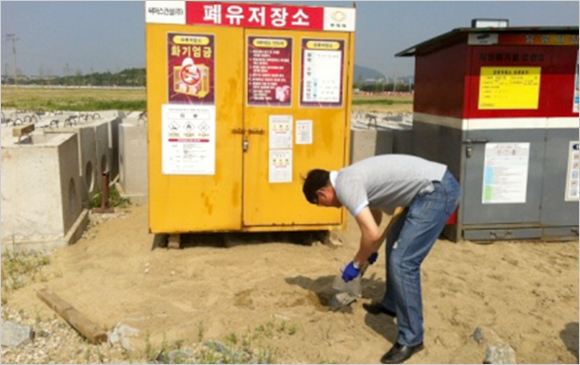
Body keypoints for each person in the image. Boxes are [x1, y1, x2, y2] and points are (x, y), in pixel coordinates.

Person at [302, 154, 460, 364]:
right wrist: (369, 251)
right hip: (427, 190)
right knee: (394, 242)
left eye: (322, 204)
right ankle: (391, 304)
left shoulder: (346, 186)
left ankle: (412, 338)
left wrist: (357, 263)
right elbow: (375, 220)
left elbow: (372, 234)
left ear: (322, 193)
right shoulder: (348, 179)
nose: (329, 207)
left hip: (436, 191)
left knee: (403, 262)